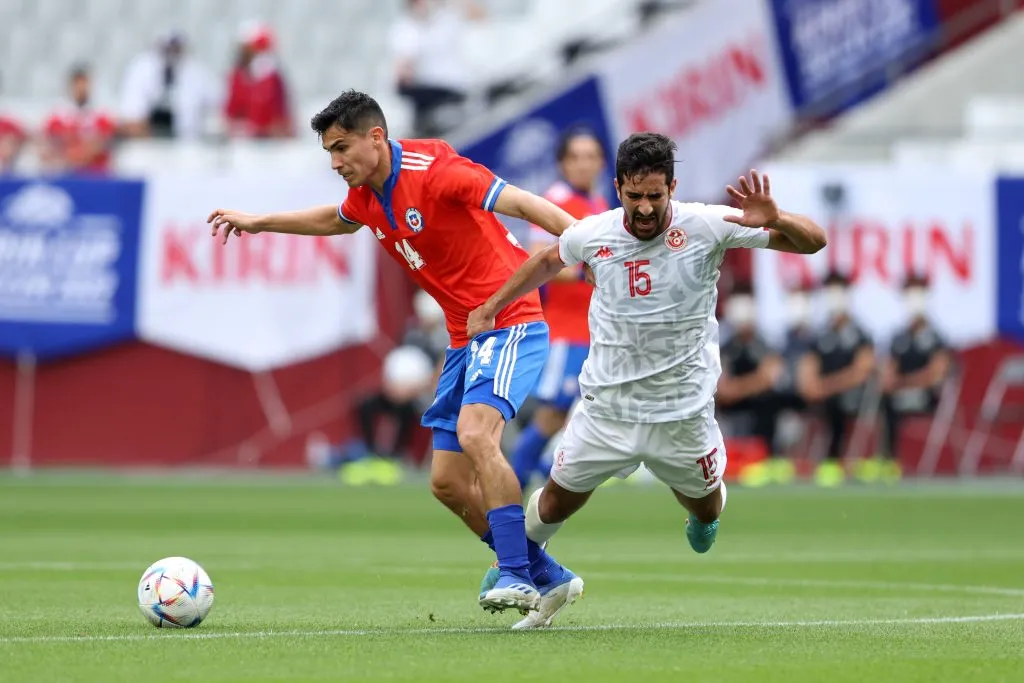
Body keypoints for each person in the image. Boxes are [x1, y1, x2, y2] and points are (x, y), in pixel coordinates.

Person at [208, 90, 581, 621]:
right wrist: (260, 222)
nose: (336, 163)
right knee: (447, 483)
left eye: (342, 148)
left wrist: (589, 239)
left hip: (509, 321)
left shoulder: (437, 169)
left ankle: (517, 575)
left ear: (376, 137)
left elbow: (521, 202)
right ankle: (548, 574)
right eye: (328, 153)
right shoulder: (366, 194)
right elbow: (334, 220)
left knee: (478, 435)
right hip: (463, 337)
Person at [469, 133, 826, 626]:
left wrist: (778, 218)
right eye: (634, 196)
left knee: (703, 508)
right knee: (554, 501)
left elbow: (814, 242)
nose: (644, 208)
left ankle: (705, 515)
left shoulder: (707, 224)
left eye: (655, 196)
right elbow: (549, 259)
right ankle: (514, 566)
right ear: (618, 188)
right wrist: (491, 307)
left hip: (682, 414)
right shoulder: (595, 232)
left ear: (671, 188)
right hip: (607, 410)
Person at [510, 126, 608, 489]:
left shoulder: (597, 203)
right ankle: (515, 486)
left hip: (593, 328)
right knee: (554, 413)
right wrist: (590, 271)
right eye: (576, 157)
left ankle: (539, 480)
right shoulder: (554, 200)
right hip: (566, 330)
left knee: (579, 414)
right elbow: (538, 257)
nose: (584, 164)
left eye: (591, 156)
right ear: (562, 163)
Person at [862, 274, 951, 483]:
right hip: (899, 392)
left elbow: (937, 372)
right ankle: (886, 459)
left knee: (894, 401)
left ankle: (890, 458)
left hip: (926, 394)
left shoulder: (936, 336)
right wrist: (887, 378)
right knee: (883, 400)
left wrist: (905, 383)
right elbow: (890, 367)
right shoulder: (899, 337)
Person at [797, 272, 876, 487]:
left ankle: (839, 460)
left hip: (851, 392)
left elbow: (861, 371)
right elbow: (808, 366)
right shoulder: (820, 334)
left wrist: (825, 387)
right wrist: (812, 386)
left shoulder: (861, 333)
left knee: (840, 402)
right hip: (823, 394)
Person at [40, 65, 117, 175]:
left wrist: (77, 152)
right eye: (77, 84)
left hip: (95, 174)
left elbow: (101, 143)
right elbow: (48, 143)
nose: (81, 89)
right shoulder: (57, 116)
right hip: (64, 172)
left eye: (84, 84)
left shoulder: (102, 115)